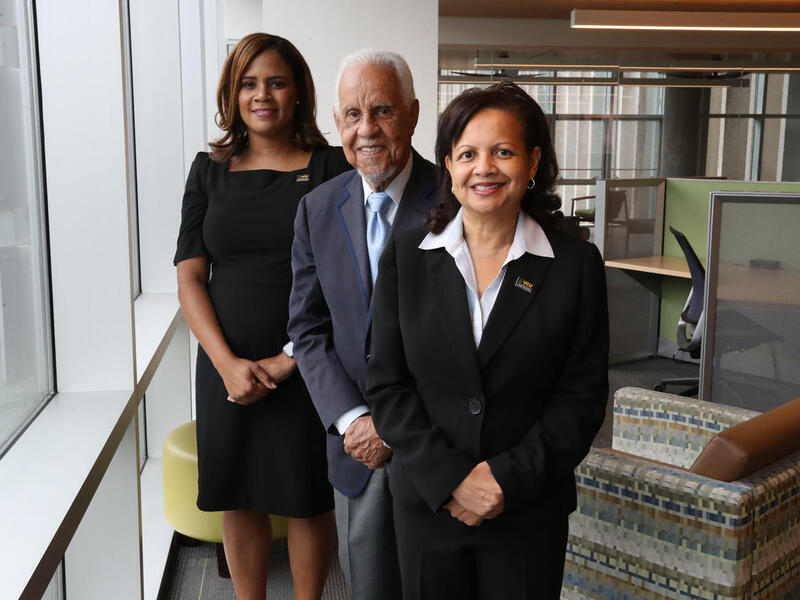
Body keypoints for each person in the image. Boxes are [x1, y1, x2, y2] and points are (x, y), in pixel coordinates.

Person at [365, 82, 609, 599]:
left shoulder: (575, 265)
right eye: (468, 154)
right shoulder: (407, 256)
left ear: (533, 161)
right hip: (429, 504)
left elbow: (581, 398)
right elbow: (387, 385)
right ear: (448, 166)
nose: (484, 168)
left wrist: (504, 480)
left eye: (503, 152)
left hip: (527, 508)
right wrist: (453, 479)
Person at [174, 33, 350, 600]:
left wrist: (288, 361)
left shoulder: (332, 167)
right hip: (225, 365)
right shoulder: (207, 171)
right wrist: (226, 364)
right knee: (239, 496)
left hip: (309, 362)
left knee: (307, 497)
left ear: (298, 92)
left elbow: (345, 278)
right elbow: (190, 277)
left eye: (276, 82)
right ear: (233, 93)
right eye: (249, 84)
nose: (262, 95)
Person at [288, 49, 437, 599]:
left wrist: (393, 425)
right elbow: (307, 329)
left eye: (382, 111)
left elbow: (475, 336)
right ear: (337, 123)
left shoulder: (457, 199)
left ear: (413, 114)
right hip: (355, 449)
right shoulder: (317, 209)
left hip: (438, 446)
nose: (367, 129)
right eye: (352, 114)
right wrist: (353, 420)